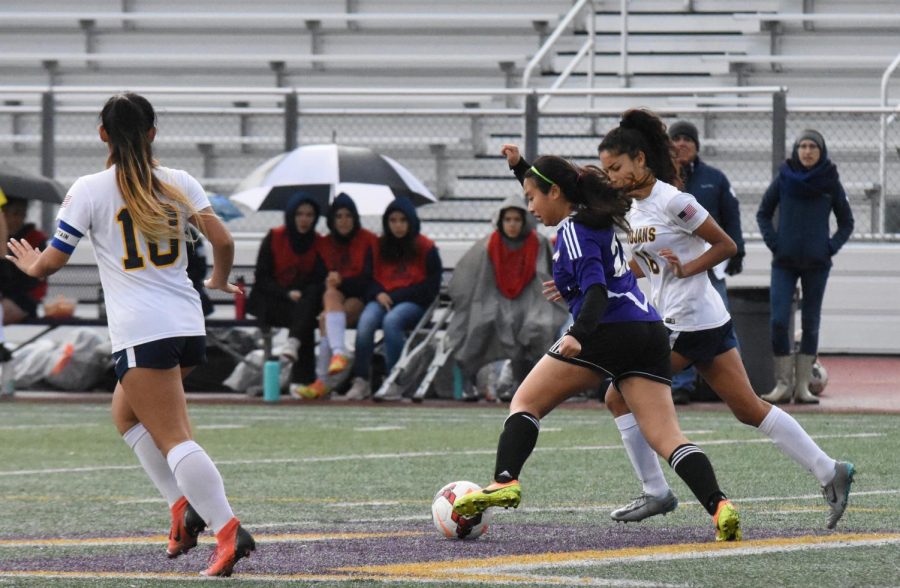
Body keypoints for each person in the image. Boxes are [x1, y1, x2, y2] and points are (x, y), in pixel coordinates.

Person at [4, 93, 255, 576]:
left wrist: (30, 262)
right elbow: (222, 240)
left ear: (103, 134)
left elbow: (51, 262)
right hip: (186, 323)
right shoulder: (179, 181)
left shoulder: (92, 188)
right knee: (125, 415)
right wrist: (220, 281)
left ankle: (227, 530)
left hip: (143, 329)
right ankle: (183, 508)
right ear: (153, 133)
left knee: (174, 437)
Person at [453, 147, 742, 543]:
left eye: (532, 197)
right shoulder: (595, 218)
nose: (531, 208)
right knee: (666, 436)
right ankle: (720, 506)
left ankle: (504, 479)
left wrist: (577, 334)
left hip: (607, 330)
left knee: (525, 403)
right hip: (650, 330)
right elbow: (551, 189)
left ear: (555, 193)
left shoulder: (573, 229)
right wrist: (520, 167)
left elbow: (595, 291)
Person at [595, 109, 853, 530]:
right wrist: (601, 280)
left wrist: (688, 268)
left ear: (640, 160)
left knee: (618, 394)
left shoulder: (674, 201)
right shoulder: (638, 210)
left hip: (688, 320)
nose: (612, 176)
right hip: (702, 320)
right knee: (748, 408)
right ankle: (831, 471)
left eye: (617, 167)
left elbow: (726, 244)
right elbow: (647, 264)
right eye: (607, 170)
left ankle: (656, 491)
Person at [757, 129, 854, 405]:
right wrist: (775, 243)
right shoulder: (784, 178)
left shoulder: (830, 182)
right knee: (778, 321)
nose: (808, 151)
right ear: (796, 150)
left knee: (811, 322)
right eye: (803, 146)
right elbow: (763, 213)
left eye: (813, 146)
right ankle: (782, 384)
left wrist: (829, 247)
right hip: (784, 262)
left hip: (817, 264)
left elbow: (846, 222)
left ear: (821, 151)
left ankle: (802, 387)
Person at [447, 194, 567, 400]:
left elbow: (543, 278)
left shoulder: (537, 243)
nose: (512, 224)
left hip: (531, 300)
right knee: (478, 323)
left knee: (534, 324)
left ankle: (523, 384)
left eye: (517, 220)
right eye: (507, 220)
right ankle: (470, 380)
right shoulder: (489, 244)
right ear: (500, 221)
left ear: (525, 221)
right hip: (492, 299)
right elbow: (480, 281)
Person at [667, 121, 745, 404]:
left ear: (697, 145)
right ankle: (682, 384)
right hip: (676, 267)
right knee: (678, 322)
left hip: (711, 263)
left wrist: (739, 252)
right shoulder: (663, 186)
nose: (682, 143)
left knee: (719, 318)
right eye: (676, 138)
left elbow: (731, 217)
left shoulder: (715, 178)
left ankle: (732, 383)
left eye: (688, 139)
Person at [342, 197, 442, 401]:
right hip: (382, 299)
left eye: (403, 220)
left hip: (414, 304)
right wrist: (377, 293)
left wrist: (396, 296)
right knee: (366, 322)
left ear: (411, 221)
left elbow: (430, 288)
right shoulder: (379, 245)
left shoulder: (426, 247)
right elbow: (368, 279)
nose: (398, 225)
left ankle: (394, 379)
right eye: (393, 220)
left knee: (392, 321)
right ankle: (361, 380)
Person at [245, 193, 326, 395]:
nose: (304, 219)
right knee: (303, 320)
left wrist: (300, 293)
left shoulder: (318, 242)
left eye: (309, 214)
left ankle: (294, 355)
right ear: (291, 215)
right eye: (300, 214)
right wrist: (287, 293)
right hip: (273, 302)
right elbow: (262, 278)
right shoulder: (274, 237)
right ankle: (301, 380)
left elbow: (318, 278)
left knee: (306, 308)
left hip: (303, 303)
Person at [300, 193, 377, 399]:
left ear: (355, 218)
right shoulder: (325, 244)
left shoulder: (368, 240)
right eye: (339, 216)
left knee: (327, 317)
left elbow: (370, 279)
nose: (344, 221)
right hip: (335, 299)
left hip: (359, 298)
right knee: (330, 298)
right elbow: (316, 278)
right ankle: (338, 353)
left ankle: (323, 381)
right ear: (332, 219)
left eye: (348, 216)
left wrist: (343, 280)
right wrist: (329, 279)